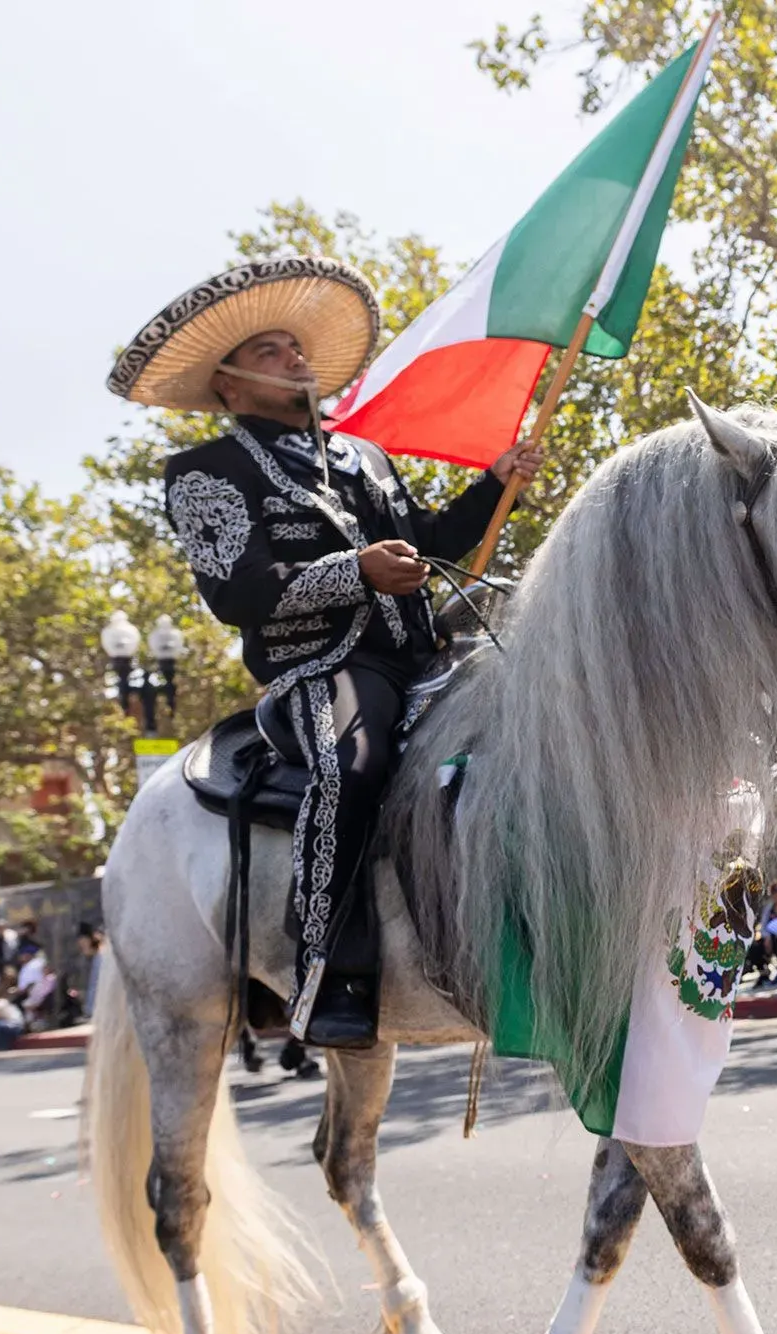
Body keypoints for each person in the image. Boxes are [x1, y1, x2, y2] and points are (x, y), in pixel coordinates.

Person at [110, 256, 546, 1049]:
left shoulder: (364, 457)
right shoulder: (207, 472)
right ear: (230, 383)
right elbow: (237, 590)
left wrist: (493, 482)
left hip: (428, 653)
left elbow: (437, 542)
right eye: (272, 352)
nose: (296, 359)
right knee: (357, 761)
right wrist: (356, 571)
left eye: (295, 347)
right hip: (326, 669)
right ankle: (327, 969)